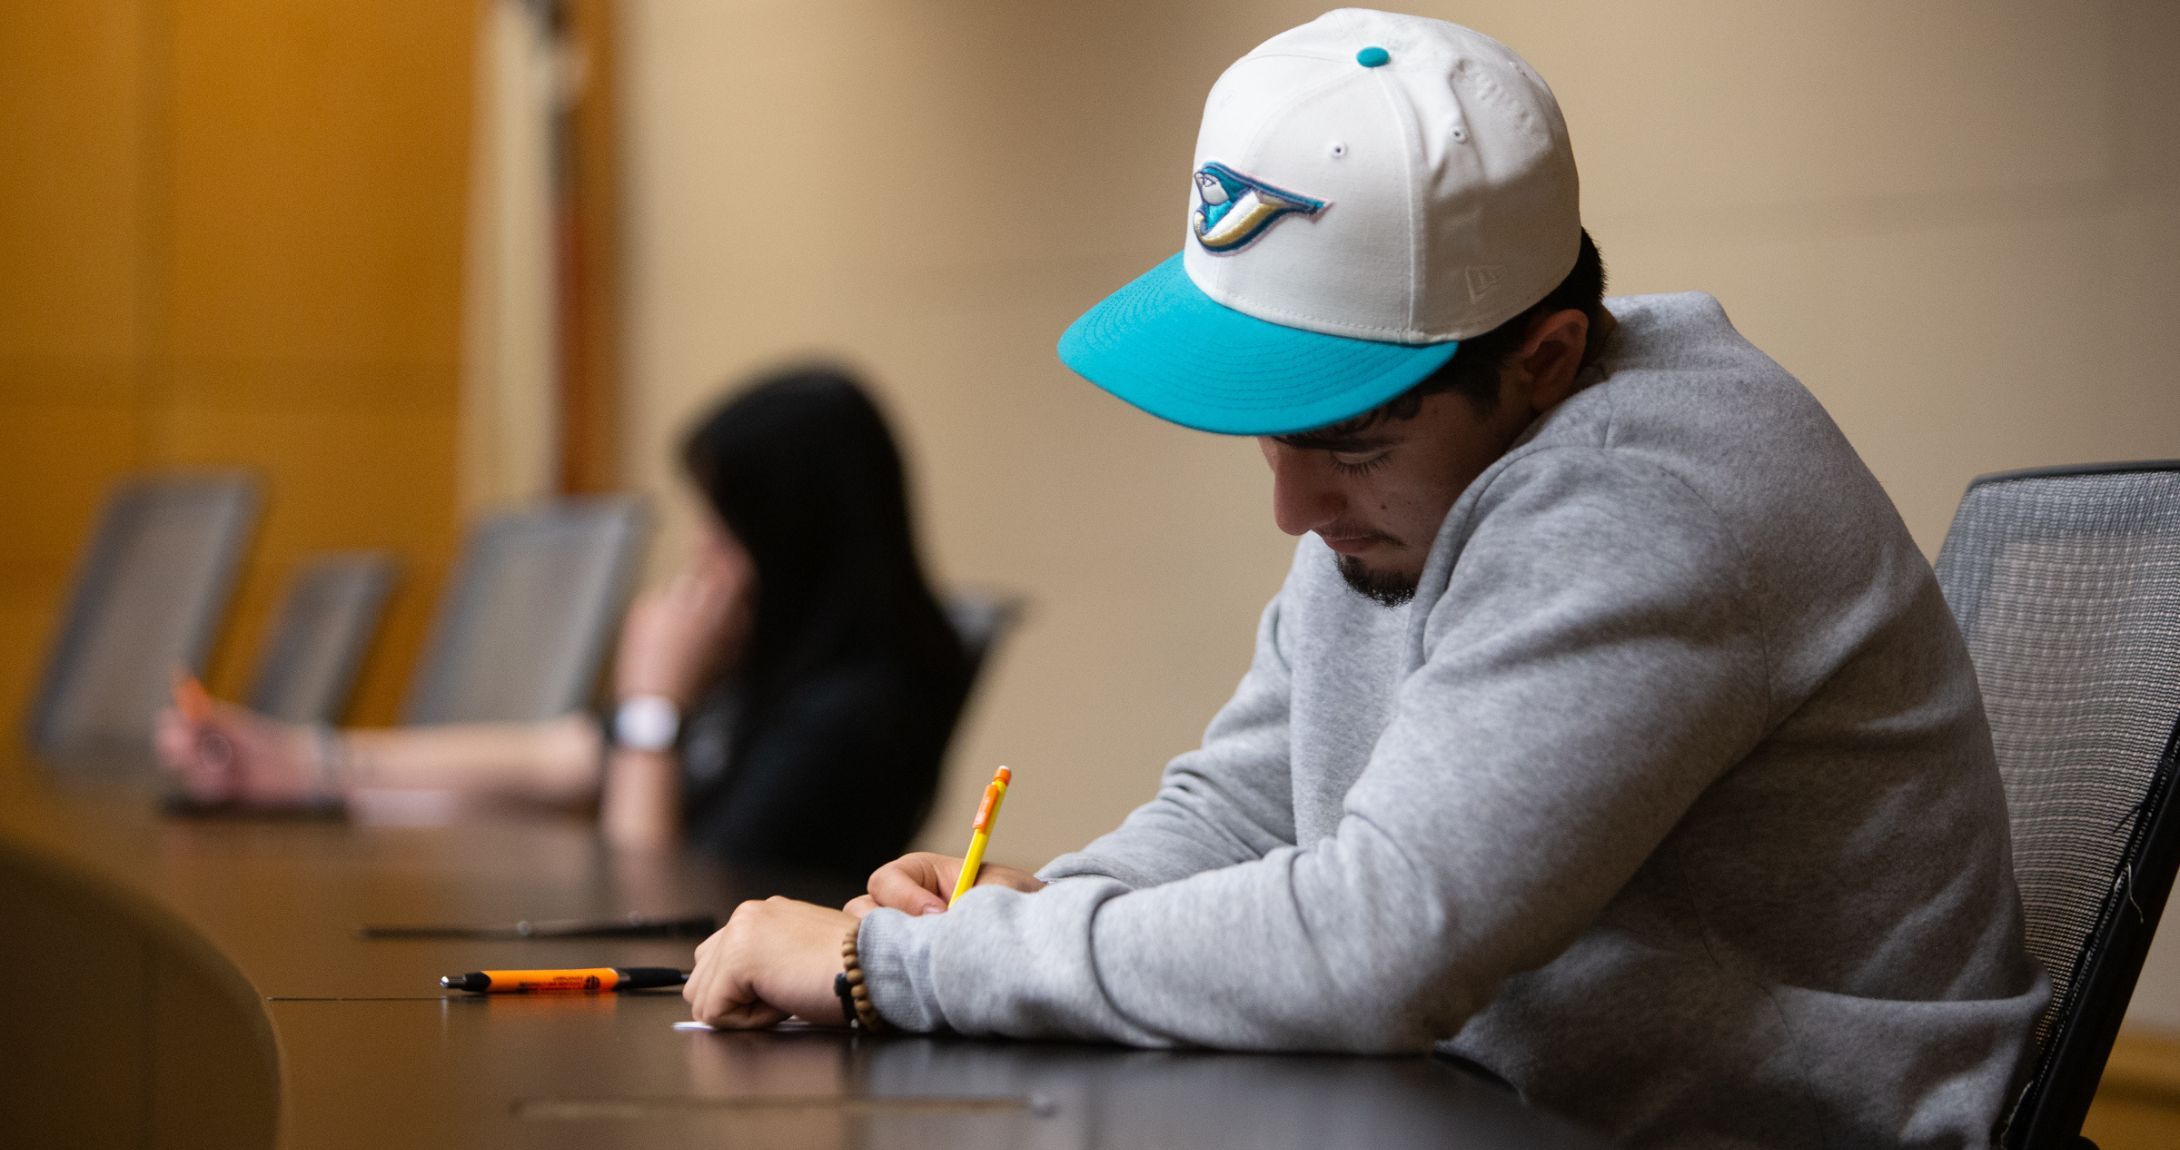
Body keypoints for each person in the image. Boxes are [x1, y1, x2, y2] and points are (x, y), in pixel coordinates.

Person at [678, 12, 2047, 1149]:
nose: (1292, 504)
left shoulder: (1650, 499)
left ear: (1547, 359)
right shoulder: (1425, 478)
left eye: (1348, 440)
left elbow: (1374, 941)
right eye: (1277, 434)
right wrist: (1013, 914)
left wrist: (893, 970)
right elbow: (1241, 799)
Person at [157, 367, 972, 884]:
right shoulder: (768, 663)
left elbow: (649, 890)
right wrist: (305, 761)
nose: (704, 555)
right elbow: (558, 755)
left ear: (795, 538)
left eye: (726, 529)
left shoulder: (858, 712)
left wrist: (654, 704)